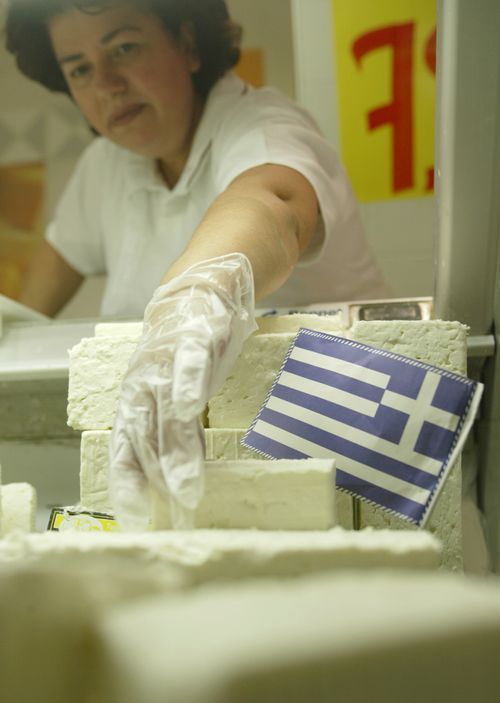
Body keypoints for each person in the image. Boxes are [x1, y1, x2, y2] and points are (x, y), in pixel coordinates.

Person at [6, 0, 390, 528]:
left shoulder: (262, 123)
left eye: (124, 48)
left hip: (350, 453)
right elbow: (25, 317)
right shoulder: (105, 167)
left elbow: (271, 203)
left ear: (187, 42)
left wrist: (196, 299)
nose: (107, 84)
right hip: (188, 476)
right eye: (80, 68)